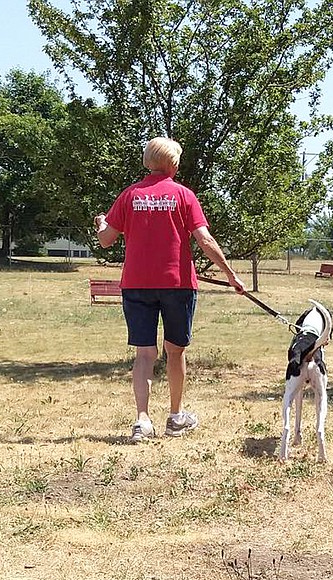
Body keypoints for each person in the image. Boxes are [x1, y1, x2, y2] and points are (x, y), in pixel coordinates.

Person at [94, 137, 245, 443]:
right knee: (175, 352)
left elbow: (106, 239)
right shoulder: (184, 195)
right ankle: (175, 417)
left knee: (144, 354)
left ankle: (142, 421)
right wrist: (230, 275)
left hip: (137, 284)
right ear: (173, 164)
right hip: (177, 285)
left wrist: (100, 223)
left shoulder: (129, 195)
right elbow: (205, 240)